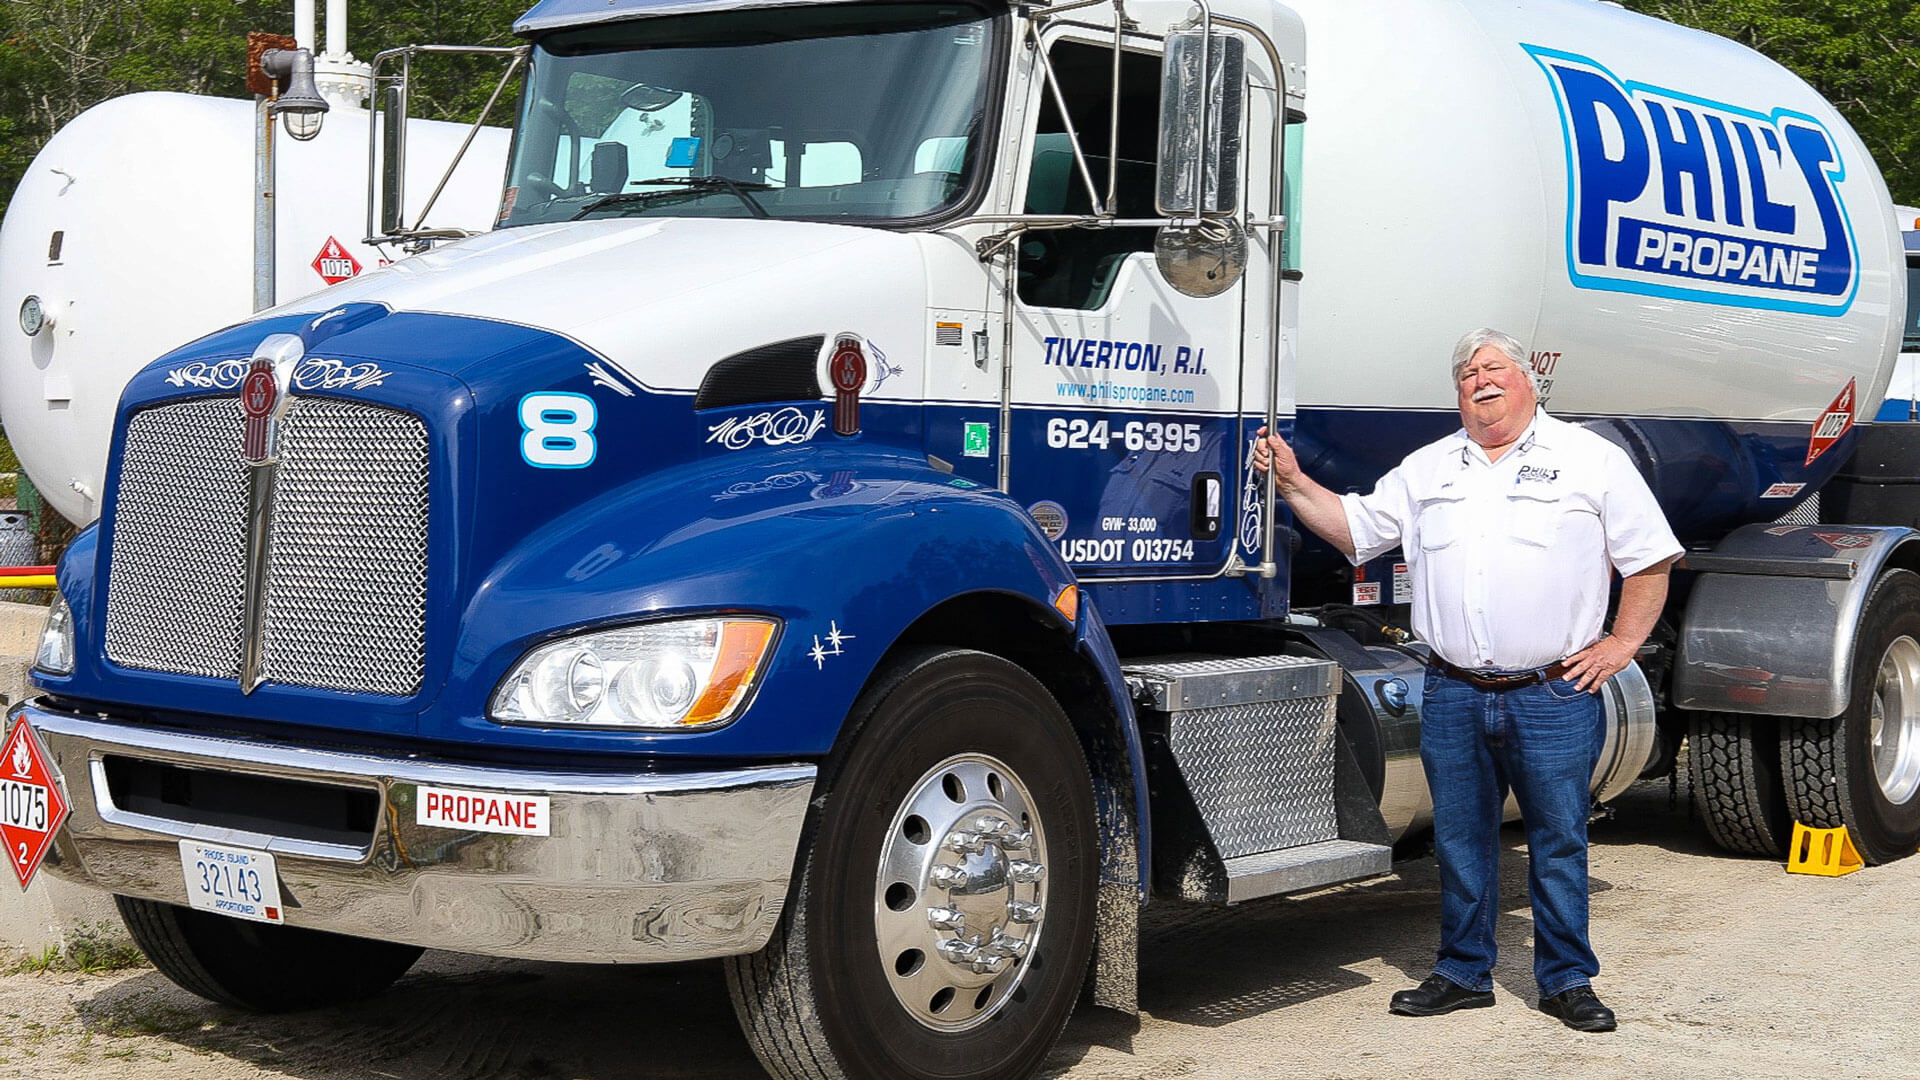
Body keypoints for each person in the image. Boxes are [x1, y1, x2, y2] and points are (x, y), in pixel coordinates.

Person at [1253, 327, 1681, 1033]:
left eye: (1493, 368)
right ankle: (1462, 971)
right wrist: (1295, 481)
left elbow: (1651, 561)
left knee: (1558, 839)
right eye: (1465, 374)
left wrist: (1622, 645)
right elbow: (1356, 529)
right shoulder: (1429, 468)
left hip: (1552, 691)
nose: (1479, 380)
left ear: (1528, 382)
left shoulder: (1588, 460)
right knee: (1459, 839)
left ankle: (1567, 980)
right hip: (1451, 688)